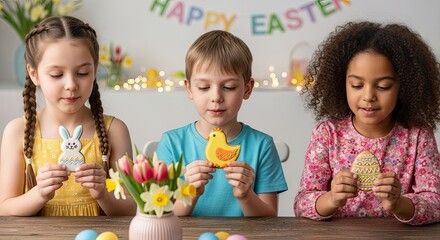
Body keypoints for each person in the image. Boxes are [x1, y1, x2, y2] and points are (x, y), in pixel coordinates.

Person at [294, 21, 440, 225]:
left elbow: (435, 203)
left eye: (383, 86)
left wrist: (400, 204)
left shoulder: (418, 136)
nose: (368, 96)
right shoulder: (327, 133)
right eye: (357, 85)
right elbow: (302, 203)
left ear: (404, 86)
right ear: (341, 82)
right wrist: (332, 198)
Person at [0, 16, 136, 216]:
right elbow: (4, 207)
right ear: (34, 73)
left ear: (95, 70)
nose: (71, 84)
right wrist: (39, 194)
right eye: (56, 74)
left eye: (82, 73)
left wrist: (103, 195)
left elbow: (132, 207)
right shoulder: (17, 131)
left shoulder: (114, 131)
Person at [155, 30, 288, 217]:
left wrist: (245, 196)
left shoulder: (262, 145)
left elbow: (269, 217)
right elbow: (161, 215)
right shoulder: (171, 142)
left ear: (247, 89)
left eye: (229, 87)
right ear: (189, 88)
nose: (216, 97)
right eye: (204, 87)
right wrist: (190, 194)